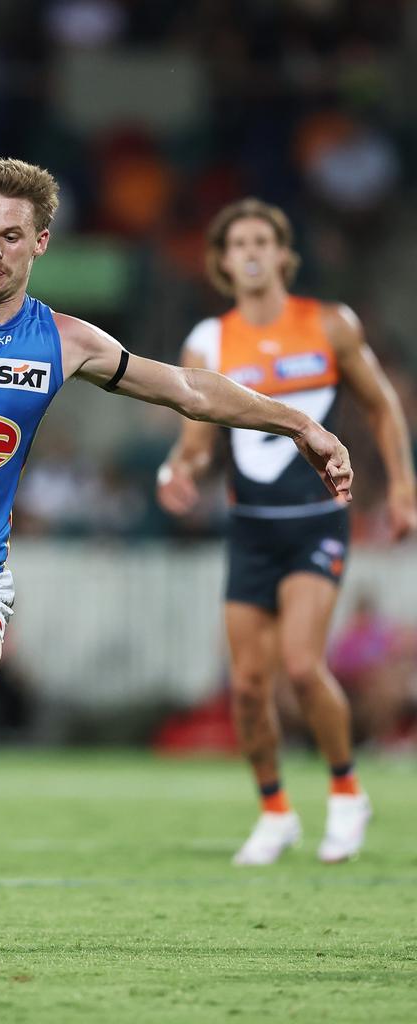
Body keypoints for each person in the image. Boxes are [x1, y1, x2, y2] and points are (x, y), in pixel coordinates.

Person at [0, 160, 353, 948]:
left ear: (39, 242)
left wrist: (300, 424)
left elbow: (187, 388)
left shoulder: (67, 340)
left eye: (10, 237)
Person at [157, 198, 416, 866]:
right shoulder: (209, 342)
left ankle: (346, 791)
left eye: (260, 240)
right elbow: (196, 442)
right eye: (235, 241)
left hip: (317, 520)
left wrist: (404, 483)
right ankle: (275, 811)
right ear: (220, 261)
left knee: (301, 664)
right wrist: (175, 469)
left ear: (281, 255)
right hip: (251, 527)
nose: (248, 250)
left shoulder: (328, 324)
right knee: (246, 685)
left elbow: (382, 406)